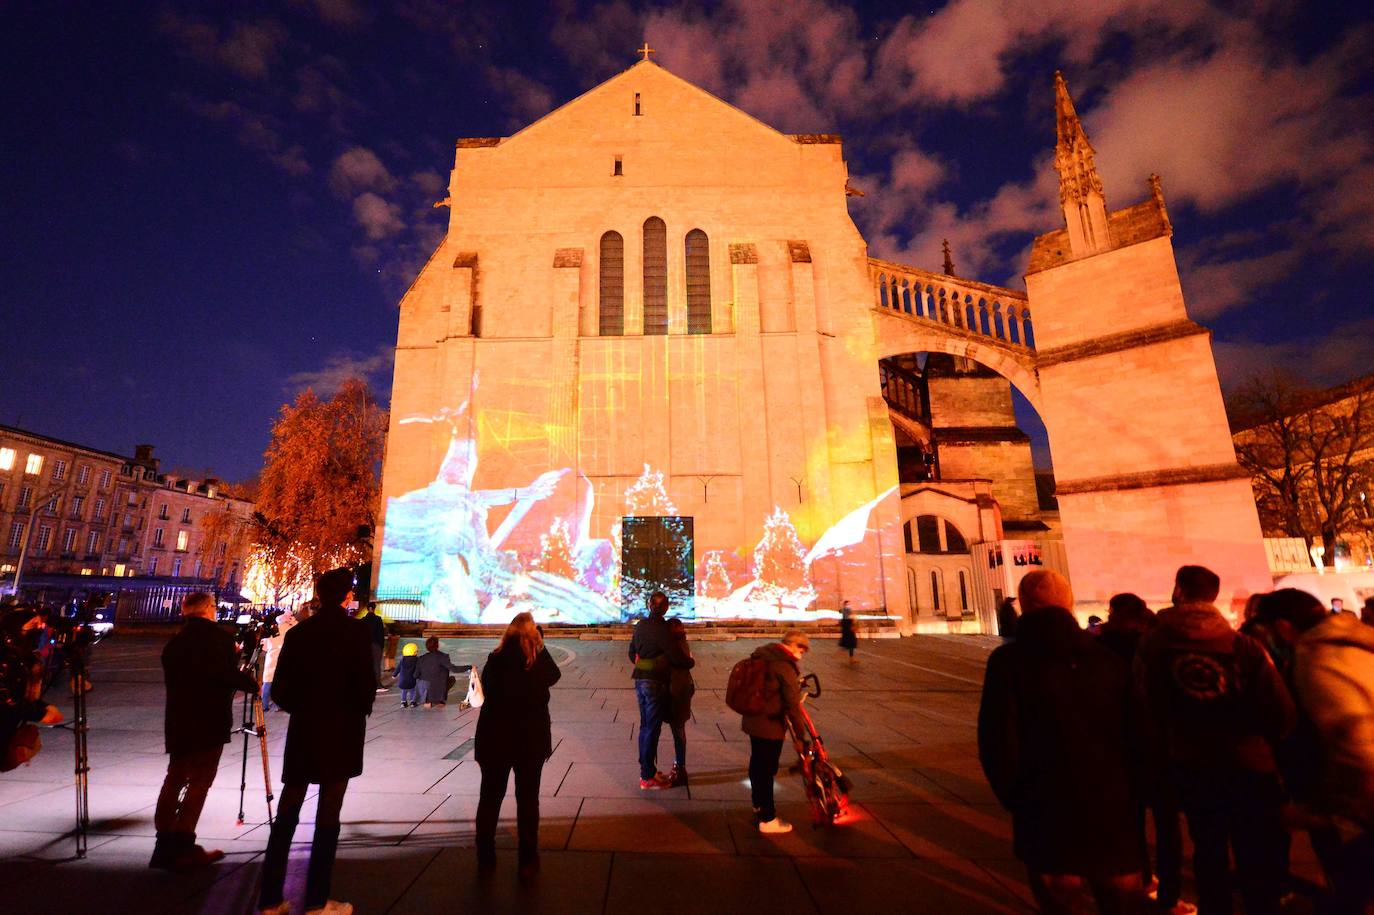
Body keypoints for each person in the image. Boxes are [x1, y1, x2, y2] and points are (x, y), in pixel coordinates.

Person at [978, 570, 1144, 914]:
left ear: (1023, 606)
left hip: (1046, 807)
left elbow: (998, 742)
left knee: (1062, 900)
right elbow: (1141, 734)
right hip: (1113, 808)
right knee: (1121, 900)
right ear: (1068, 604)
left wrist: (1018, 799)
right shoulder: (1108, 659)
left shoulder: (1008, 663)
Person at [1135, 566, 1295, 915]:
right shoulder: (1244, 647)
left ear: (1179, 590)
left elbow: (1143, 710)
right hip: (1249, 766)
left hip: (1192, 766)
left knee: (1209, 853)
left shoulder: (1152, 646)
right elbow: (1281, 712)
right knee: (1255, 854)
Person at [257, 568, 377, 915]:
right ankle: (316, 900)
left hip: (305, 732)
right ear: (345, 597)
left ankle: (270, 899)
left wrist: (306, 709)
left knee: (286, 816)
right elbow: (365, 687)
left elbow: (279, 690)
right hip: (341, 733)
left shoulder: (299, 635)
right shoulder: (356, 633)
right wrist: (350, 710)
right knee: (328, 817)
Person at [1267, 588, 1374, 914]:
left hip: (1364, 800)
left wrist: (1325, 807)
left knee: (1353, 893)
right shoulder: (1359, 641)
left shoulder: (1318, 660)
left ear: (1284, 627)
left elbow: (1355, 740)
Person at [151, 592, 260, 871]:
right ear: (209, 609)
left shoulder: (175, 642)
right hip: (209, 720)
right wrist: (250, 683)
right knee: (200, 782)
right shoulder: (220, 638)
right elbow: (222, 674)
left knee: (174, 779)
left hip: (179, 721)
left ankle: (164, 843)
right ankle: (185, 843)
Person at [1097, 593, 1187, 911]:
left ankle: (1142, 880)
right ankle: (1169, 896)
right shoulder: (1157, 647)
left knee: (1131, 823)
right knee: (1167, 826)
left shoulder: (1099, 648)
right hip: (1159, 746)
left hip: (1121, 747)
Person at [473, 612, 561, 880]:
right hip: (528, 741)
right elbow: (554, 675)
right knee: (527, 801)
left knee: (489, 799)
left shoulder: (496, 659)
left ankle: (485, 857)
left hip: (494, 739)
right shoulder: (535, 661)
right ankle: (527, 859)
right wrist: (540, 645)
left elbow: (487, 691)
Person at [740, 630, 811, 835]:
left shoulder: (763, 655)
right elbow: (792, 704)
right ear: (794, 646)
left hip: (753, 719)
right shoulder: (783, 665)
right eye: (802, 650)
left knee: (757, 764)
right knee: (767, 769)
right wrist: (800, 735)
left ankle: (758, 803)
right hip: (769, 724)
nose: (801, 655)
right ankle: (768, 818)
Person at [628, 591, 691, 789]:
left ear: (649, 606)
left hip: (640, 681)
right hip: (656, 683)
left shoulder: (640, 626)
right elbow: (677, 657)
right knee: (652, 729)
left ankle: (647, 771)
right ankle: (647, 776)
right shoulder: (664, 629)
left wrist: (644, 661)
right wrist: (690, 661)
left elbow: (631, 653)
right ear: (666, 608)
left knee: (645, 726)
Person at [664, 617, 696, 787]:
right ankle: (680, 765)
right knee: (679, 732)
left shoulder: (672, 646)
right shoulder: (683, 642)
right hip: (683, 691)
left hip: (674, 692)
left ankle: (680, 769)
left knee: (677, 732)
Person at [259, 609, 296, 712]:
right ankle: (278, 704)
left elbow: (265, 645)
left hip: (272, 658)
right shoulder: (290, 628)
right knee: (278, 684)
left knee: (267, 683)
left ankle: (265, 705)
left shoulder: (274, 630)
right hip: (280, 658)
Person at [416, 636, 469, 708]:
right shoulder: (443, 656)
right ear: (437, 645)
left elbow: (415, 675)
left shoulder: (421, 658)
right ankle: (440, 700)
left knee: (424, 681)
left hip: (425, 690)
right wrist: (469, 667)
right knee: (452, 679)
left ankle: (427, 700)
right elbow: (454, 669)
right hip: (439, 687)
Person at [359, 601, 386, 687]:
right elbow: (381, 634)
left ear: (367, 609)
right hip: (376, 645)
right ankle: (377, 684)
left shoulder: (363, 620)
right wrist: (381, 646)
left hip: (364, 645)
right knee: (376, 665)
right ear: (374, 609)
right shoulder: (378, 619)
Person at [396, 642, 420, 708]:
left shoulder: (402, 660)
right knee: (412, 690)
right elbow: (418, 669)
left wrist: (394, 675)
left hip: (402, 680)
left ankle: (403, 702)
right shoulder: (416, 660)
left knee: (403, 691)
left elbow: (398, 668)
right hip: (412, 680)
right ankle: (412, 702)